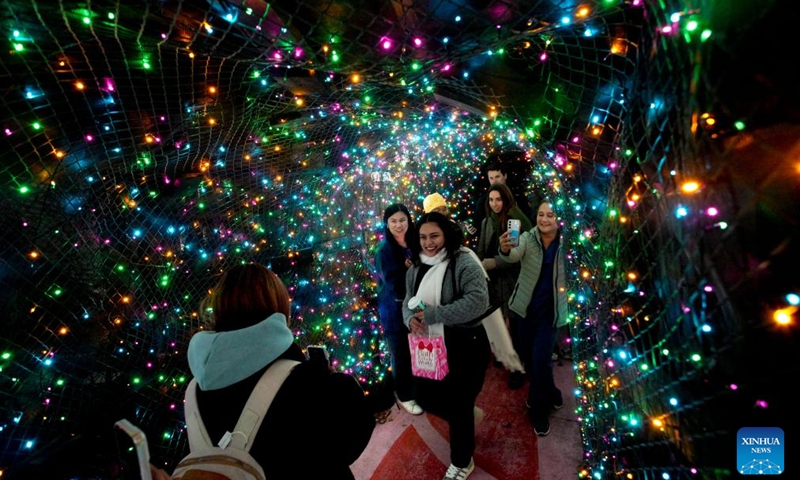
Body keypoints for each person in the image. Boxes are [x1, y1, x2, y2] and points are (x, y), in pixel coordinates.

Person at [186, 264, 375, 479]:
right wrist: (333, 380)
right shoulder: (307, 383)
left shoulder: (195, 390)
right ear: (278, 306)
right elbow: (351, 438)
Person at [402, 212, 491, 480]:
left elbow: (478, 301)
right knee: (425, 396)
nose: (429, 243)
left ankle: (462, 462)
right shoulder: (416, 266)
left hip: (466, 345)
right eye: (423, 237)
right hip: (430, 345)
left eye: (434, 236)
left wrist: (433, 315)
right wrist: (410, 321)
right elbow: (408, 301)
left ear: (446, 235)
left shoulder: (463, 261)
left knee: (459, 402)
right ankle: (463, 414)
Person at [498, 199, 569, 437]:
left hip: (550, 315)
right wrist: (506, 248)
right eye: (541, 214)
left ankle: (538, 410)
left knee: (540, 361)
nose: (545, 219)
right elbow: (513, 255)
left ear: (559, 218)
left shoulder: (567, 245)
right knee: (532, 361)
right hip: (524, 312)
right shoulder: (528, 237)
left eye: (550, 215)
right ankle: (553, 394)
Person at [476, 183, 532, 389]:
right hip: (492, 282)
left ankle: (518, 368)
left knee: (515, 327)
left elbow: (514, 258)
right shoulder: (485, 222)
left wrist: (493, 263)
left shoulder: (513, 223)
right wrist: (480, 265)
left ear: (506, 200)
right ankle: (503, 355)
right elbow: (481, 248)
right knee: (497, 324)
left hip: (510, 281)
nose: (494, 204)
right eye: (491, 200)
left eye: (498, 199)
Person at [375, 203, 423, 415]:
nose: (398, 225)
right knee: (401, 351)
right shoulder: (384, 250)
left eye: (402, 220)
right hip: (394, 310)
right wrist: (411, 272)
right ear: (387, 223)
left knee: (417, 347)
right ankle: (405, 395)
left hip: (416, 306)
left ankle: (419, 388)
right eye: (393, 221)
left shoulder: (415, 242)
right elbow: (393, 281)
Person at [472, 161, 531, 241]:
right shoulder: (483, 201)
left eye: (497, 177)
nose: (494, 181)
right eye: (491, 178)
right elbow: (478, 230)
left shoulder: (518, 198)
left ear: (505, 176)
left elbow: (529, 227)